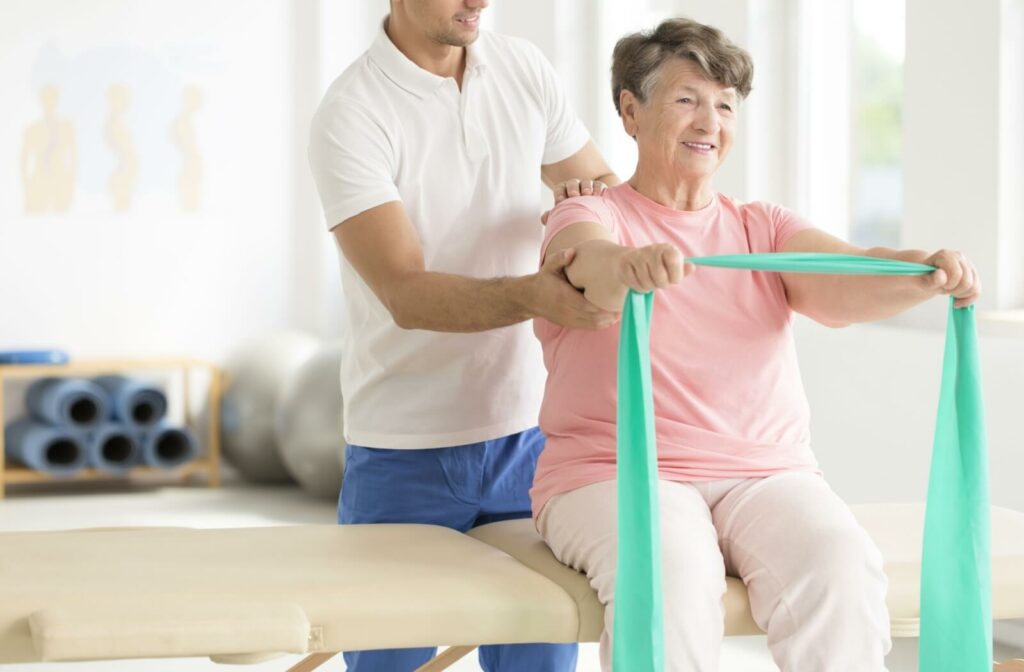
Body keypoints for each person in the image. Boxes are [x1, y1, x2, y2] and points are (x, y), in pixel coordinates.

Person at [530, 17, 980, 672]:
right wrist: (627, 269)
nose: (708, 122)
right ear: (630, 111)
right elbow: (583, 268)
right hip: (615, 469)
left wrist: (924, 272)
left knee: (842, 568)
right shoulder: (593, 215)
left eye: (724, 105)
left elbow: (849, 277)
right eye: (686, 100)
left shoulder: (760, 228)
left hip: (766, 472)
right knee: (673, 576)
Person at [307, 0, 620, 670]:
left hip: (531, 438)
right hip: (404, 451)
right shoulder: (352, 112)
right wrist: (541, 296)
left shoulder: (523, 68)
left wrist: (588, 224)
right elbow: (406, 293)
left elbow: (599, 189)